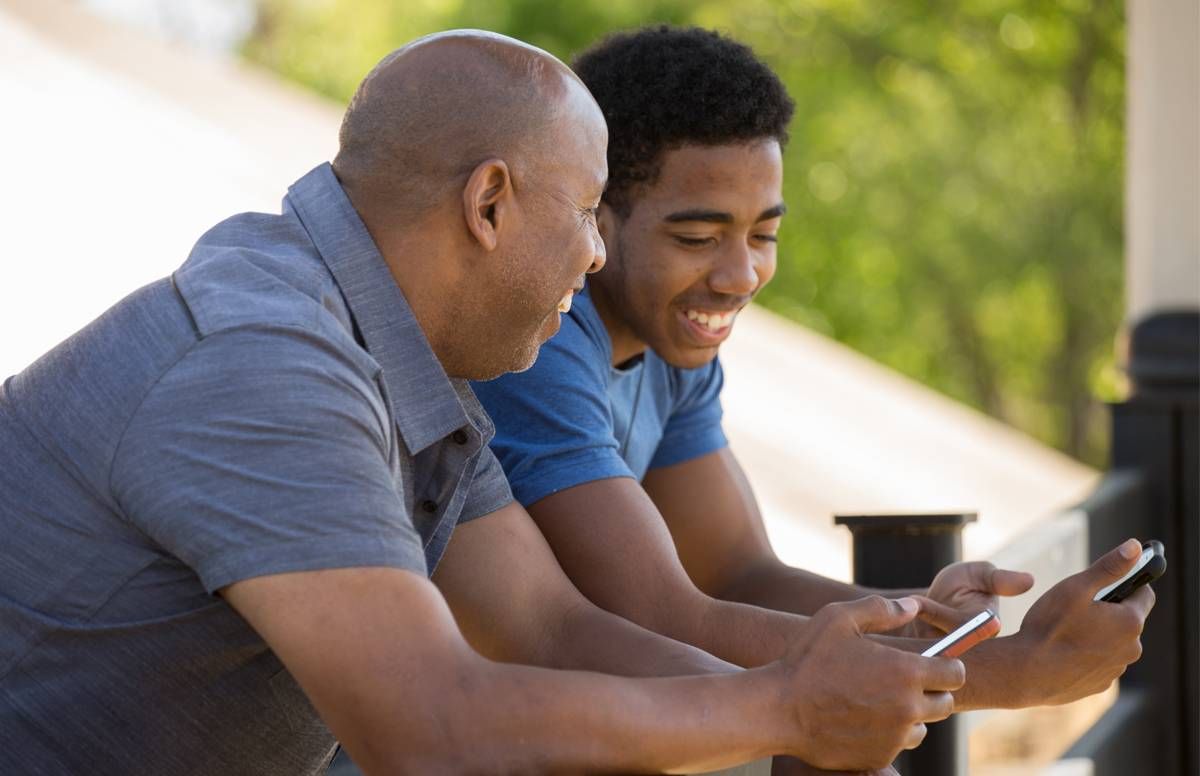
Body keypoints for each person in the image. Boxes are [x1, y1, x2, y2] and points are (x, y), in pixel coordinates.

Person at [0, 30, 970, 776]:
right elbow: (431, 724)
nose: (598, 254)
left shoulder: (400, 352)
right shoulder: (266, 361)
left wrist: (794, 706)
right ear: (491, 202)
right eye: (588, 210)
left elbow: (550, 626)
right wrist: (784, 712)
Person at [470, 22, 1154, 728]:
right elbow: (663, 615)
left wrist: (924, 618)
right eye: (697, 239)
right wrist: (1003, 673)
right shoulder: (537, 342)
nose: (740, 276)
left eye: (763, 234)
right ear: (596, 217)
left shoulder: (671, 339)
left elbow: (739, 573)